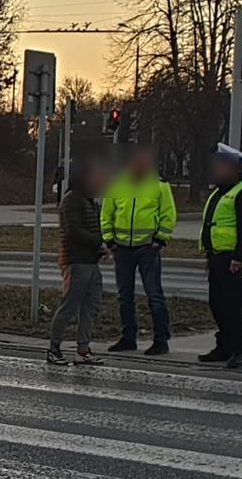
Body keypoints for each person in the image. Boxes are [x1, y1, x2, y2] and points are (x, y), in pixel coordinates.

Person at [100, 146, 176, 355]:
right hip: (122, 248)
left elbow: (168, 214)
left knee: (154, 295)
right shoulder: (117, 184)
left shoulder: (159, 186)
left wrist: (160, 239)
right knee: (124, 296)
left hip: (147, 248)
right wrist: (109, 240)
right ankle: (128, 337)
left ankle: (161, 339)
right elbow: (107, 213)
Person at [198, 143, 242, 368]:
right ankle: (224, 345)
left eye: (221, 166)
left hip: (233, 259)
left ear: (234, 168)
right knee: (218, 304)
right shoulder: (220, 191)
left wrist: (240, 258)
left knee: (236, 306)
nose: (217, 169)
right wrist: (209, 254)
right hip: (217, 257)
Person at [47, 163, 107, 366]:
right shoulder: (71, 200)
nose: (99, 181)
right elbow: (74, 231)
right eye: (95, 177)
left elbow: (94, 228)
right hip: (75, 261)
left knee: (91, 306)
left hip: (91, 261)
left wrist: (102, 248)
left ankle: (82, 350)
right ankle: (54, 348)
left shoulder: (90, 201)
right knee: (69, 306)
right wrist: (98, 243)